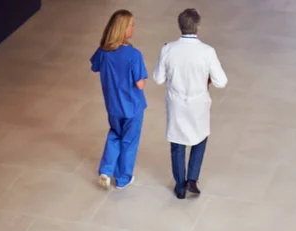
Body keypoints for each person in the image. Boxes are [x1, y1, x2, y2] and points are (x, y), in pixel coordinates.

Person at [153, 8, 227, 199]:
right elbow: (221, 81)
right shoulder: (207, 52)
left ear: (180, 26)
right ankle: (192, 179)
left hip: (176, 104)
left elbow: (158, 78)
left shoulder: (168, 49)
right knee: (200, 138)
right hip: (198, 104)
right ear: (198, 27)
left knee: (177, 144)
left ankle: (180, 186)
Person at [90, 10, 147, 190]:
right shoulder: (134, 55)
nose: (133, 28)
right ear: (123, 29)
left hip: (113, 105)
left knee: (115, 134)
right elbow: (140, 85)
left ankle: (106, 170)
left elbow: (95, 66)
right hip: (132, 107)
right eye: (131, 25)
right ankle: (122, 178)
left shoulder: (103, 51)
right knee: (129, 141)